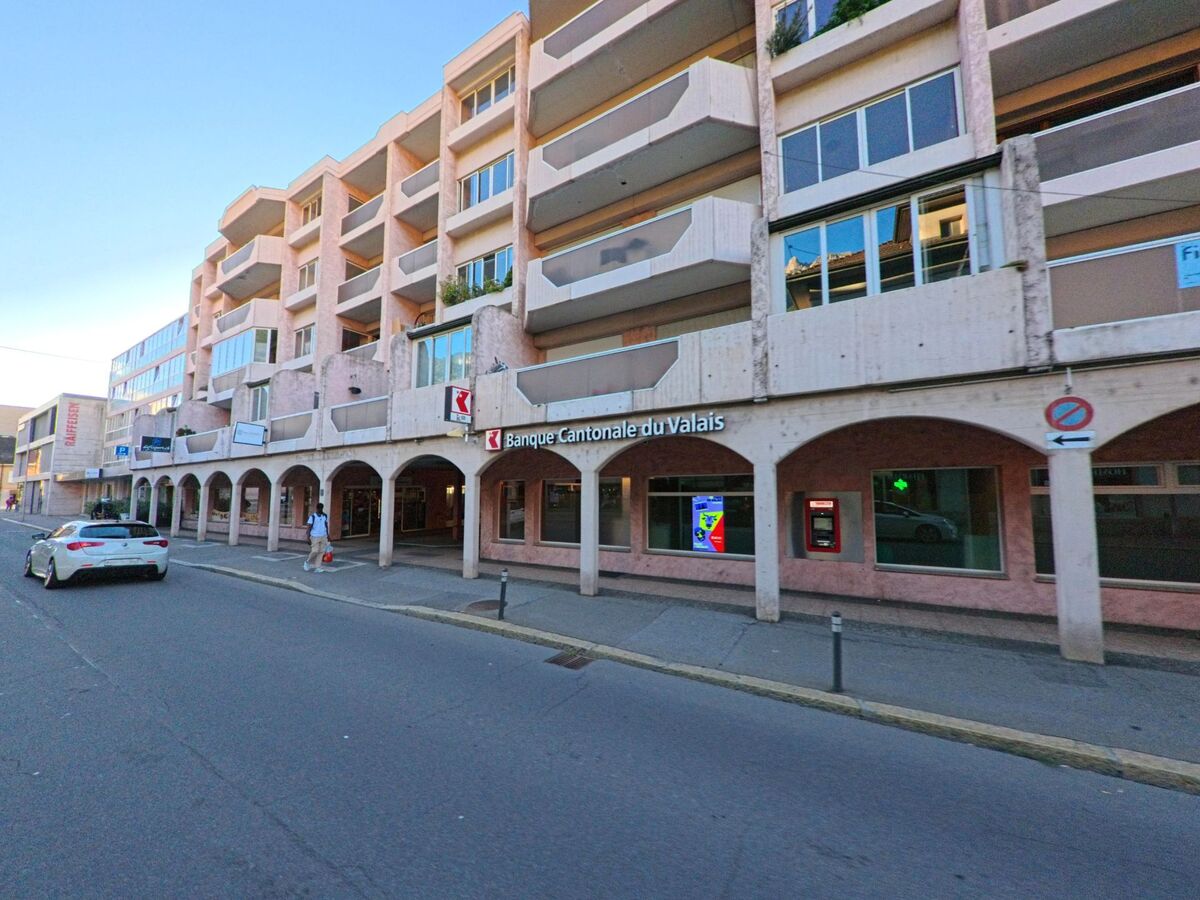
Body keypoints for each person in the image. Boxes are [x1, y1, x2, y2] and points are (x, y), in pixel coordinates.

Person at [304, 503, 330, 573]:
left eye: (322, 508)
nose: (321, 510)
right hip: (315, 536)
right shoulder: (312, 517)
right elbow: (309, 528)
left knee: (321, 552)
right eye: (320, 508)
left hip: (323, 536)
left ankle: (317, 567)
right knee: (315, 551)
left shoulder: (325, 516)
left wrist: (328, 535)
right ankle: (307, 562)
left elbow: (326, 525)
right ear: (317, 508)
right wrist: (308, 538)